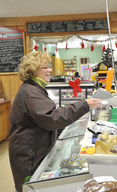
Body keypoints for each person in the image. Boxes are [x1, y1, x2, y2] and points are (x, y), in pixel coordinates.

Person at [8, 51, 102, 192]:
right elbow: (52, 118)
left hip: (31, 149)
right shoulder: (31, 91)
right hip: (29, 154)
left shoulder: (34, 89)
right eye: (45, 67)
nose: (50, 70)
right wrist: (84, 105)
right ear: (33, 70)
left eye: (49, 67)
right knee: (29, 187)